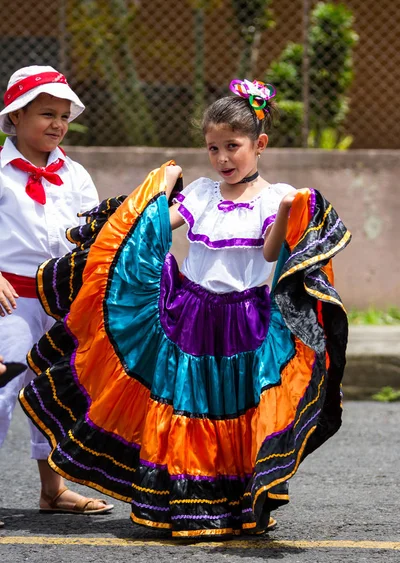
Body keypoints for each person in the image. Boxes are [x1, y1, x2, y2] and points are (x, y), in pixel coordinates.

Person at [19, 79, 351, 538]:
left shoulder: (278, 198)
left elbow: (273, 256)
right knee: (187, 406)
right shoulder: (199, 193)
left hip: (245, 323)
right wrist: (158, 192)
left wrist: (292, 212)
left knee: (236, 409)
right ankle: (178, 504)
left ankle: (235, 506)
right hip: (190, 316)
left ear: (260, 145)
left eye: (233, 147)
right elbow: (150, 229)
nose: (223, 159)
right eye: (213, 148)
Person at [0, 65, 113, 515]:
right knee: (3, 389)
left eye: (64, 116)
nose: (58, 124)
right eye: (46, 113)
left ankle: (53, 490)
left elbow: (92, 235)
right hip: (10, 304)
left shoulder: (76, 174)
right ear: (15, 116)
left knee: (57, 396)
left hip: (63, 302)